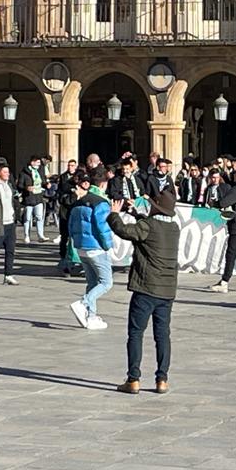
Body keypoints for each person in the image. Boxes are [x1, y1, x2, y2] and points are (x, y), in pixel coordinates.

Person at [109, 189, 180, 395]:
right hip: (167, 290)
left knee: (136, 333)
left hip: (146, 288)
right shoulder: (173, 228)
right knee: (162, 335)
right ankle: (162, 379)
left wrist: (114, 214)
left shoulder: (147, 226)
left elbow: (125, 231)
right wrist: (135, 213)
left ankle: (133, 379)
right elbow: (149, 225)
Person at [69, 166, 116, 330]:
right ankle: (84, 303)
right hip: (96, 247)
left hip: (81, 247)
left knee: (92, 282)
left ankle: (91, 316)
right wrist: (108, 244)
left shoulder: (79, 202)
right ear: (104, 183)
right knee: (106, 282)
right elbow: (102, 226)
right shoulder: (101, 203)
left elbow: (71, 225)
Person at [18, 156, 49, 244]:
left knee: (39, 217)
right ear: (32, 162)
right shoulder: (24, 173)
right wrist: (26, 188)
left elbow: (43, 181)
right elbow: (19, 185)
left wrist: (46, 185)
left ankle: (41, 235)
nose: (39, 165)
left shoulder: (40, 171)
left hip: (38, 196)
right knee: (27, 218)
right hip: (28, 198)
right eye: (37, 162)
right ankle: (27, 235)